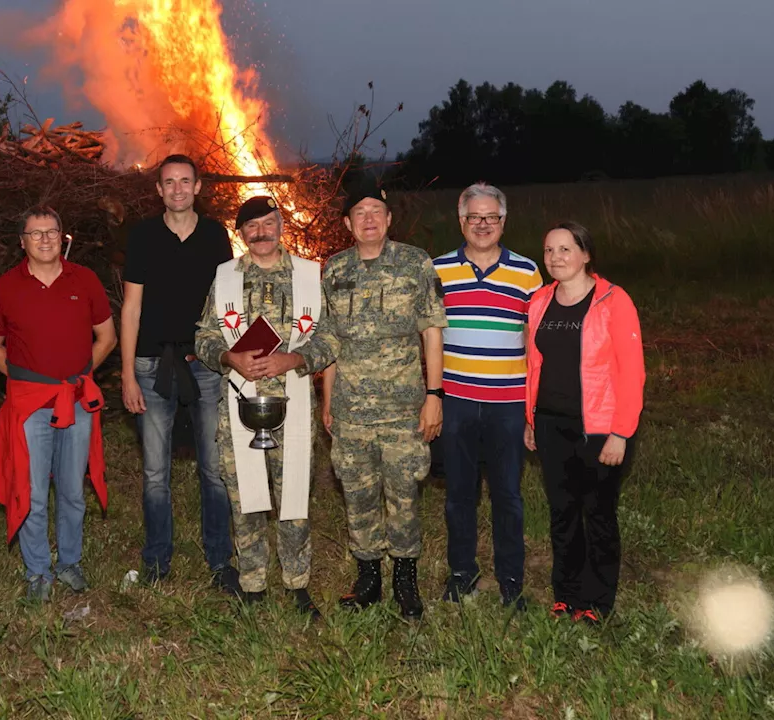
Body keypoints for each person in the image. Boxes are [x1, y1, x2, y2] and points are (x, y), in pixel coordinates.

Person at [194, 196, 335, 619]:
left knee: (292, 498)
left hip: (292, 402)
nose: (261, 232)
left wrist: (295, 359)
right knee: (246, 499)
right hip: (240, 402)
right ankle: (253, 584)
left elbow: (330, 338)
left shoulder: (310, 276)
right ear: (241, 234)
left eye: (269, 223)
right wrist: (228, 357)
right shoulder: (225, 278)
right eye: (251, 226)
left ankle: (297, 584)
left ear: (281, 226)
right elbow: (202, 336)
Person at [318, 179, 448, 619]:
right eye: (360, 212)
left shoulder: (415, 264)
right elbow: (329, 340)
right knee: (357, 494)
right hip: (351, 410)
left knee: (404, 494)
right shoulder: (334, 270)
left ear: (389, 219)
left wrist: (434, 394)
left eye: (377, 210)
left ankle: (405, 579)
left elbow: (432, 332)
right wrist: (327, 398)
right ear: (347, 223)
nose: (369, 218)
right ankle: (368, 576)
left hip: (403, 409)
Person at [0, 206, 117, 602]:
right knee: (33, 490)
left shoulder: (85, 280)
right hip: (30, 404)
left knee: (74, 490)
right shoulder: (6, 287)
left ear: (64, 237)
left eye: (51, 231)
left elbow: (107, 337)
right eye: (35, 233)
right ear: (21, 242)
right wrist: (26, 381)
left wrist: (78, 376)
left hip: (75, 400)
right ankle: (38, 570)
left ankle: (70, 562)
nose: (44, 239)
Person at [120, 154, 236, 591]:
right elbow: (130, 310)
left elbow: (228, 305)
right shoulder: (144, 236)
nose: (177, 189)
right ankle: (156, 561)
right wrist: (129, 374)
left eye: (185, 181)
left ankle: (221, 560)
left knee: (214, 467)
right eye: (169, 183)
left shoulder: (214, 235)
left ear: (198, 187)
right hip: (152, 363)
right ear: (159, 191)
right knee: (154, 472)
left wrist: (232, 358)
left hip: (206, 364)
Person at [524, 221, 645, 625]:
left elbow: (632, 372)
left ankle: (598, 601)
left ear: (586, 254)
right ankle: (566, 594)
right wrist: (531, 418)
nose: (556, 258)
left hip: (599, 428)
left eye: (565, 249)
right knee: (562, 512)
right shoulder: (539, 301)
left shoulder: (614, 300)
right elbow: (534, 366)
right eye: (549, 251)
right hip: (551, 424)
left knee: (598, 513)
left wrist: (621, 432)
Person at [433, 183, 544, 608]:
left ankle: (511, 580)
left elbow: (536, 344)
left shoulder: (527, 272)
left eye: (491, 217)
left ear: (503, 222)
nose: (483, 225)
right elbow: (427, 337)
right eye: (474, 217)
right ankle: (461, 576)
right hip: (456, 401)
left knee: (508, 496)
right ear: (461, 221)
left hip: (508, 404)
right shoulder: (438, 269)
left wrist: (533, 409)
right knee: (459, 494)